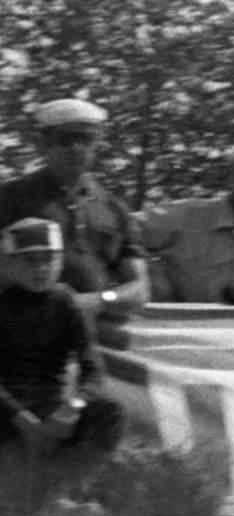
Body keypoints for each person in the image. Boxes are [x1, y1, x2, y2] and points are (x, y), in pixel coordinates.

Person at [0, 99, 150, 349]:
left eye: (86, 139)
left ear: (97, 144)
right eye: (65, 139)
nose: (76, 148)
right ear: (43, 144)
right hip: (21, 338)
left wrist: (98, 300)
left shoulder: (115, 208)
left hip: (95, 338)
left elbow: (140, 290)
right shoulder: (10, 199)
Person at [0, 218, 124, 516]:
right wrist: (18, 415)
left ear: (60, 261)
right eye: (30, 260)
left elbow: (93, 370)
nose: (41, 268)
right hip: (6, 408)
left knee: (111, 412)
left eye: (48, 259)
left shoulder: (66, 303)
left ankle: (67, 489)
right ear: (10, 264)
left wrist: (73, 406)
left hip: (54, 407)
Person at [140, 140, 234, 303]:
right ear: (231, 175)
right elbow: (125, 228)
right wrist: (149, 274)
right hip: (176, 318)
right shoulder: (189, 214)